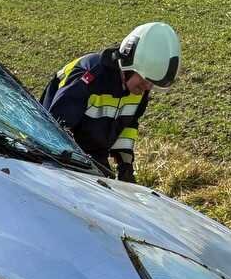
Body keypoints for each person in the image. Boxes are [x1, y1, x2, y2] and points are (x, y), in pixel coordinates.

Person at [41, 22, 181, 183]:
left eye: (152, 82)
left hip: (94, 152)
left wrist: (125, 163)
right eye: (145, 79)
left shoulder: (137, 87)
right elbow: (55, 128)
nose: (147, 87)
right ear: (128, 66)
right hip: (51, 151)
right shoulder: (90, 77)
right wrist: (80, 163)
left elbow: (128, 125)